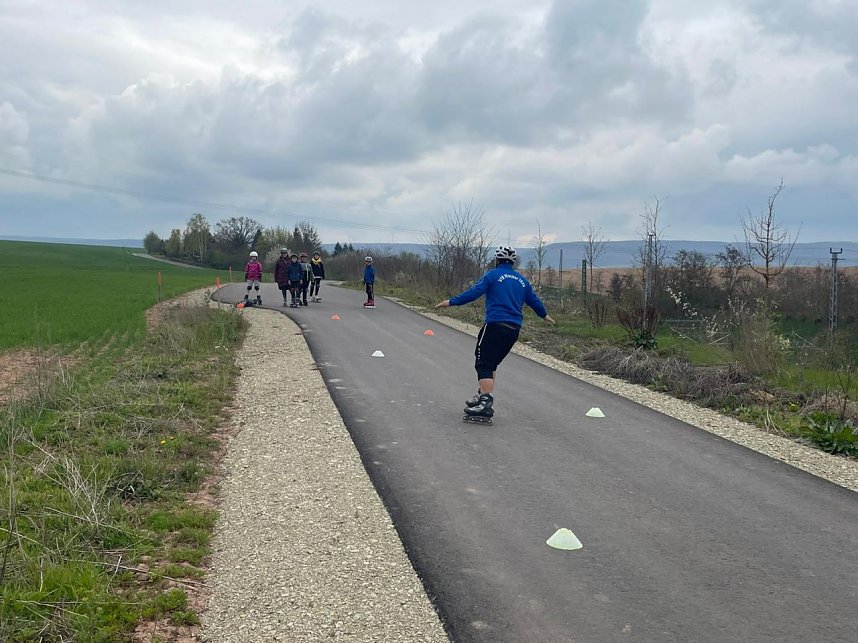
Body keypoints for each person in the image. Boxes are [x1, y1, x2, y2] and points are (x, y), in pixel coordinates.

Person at [435, 246, 555, 421]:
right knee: (491, 365)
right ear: (513, 262)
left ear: (497, 260)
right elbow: (534, 300)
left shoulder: (492, 275)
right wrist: (544, 315)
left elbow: (474, 292)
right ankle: (482, 395)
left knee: (483, 364)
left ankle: (486, 403)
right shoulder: (522, 281)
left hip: (495, 325)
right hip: (513, 330)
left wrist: (451, 302)